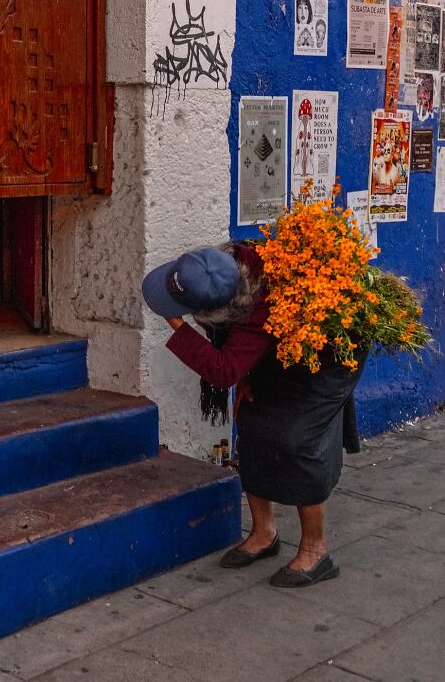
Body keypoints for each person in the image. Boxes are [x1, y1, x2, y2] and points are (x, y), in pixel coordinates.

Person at [142, 243, 366, 588]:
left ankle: (316, 549)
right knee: (252, 420)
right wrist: (246, 374)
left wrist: (177, 324)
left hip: (328, 357)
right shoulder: (229, 260)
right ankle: (264, 533)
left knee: (297, 441)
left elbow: (222, 370)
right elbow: (233, 351)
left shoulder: (259, 309)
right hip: (280, 347)